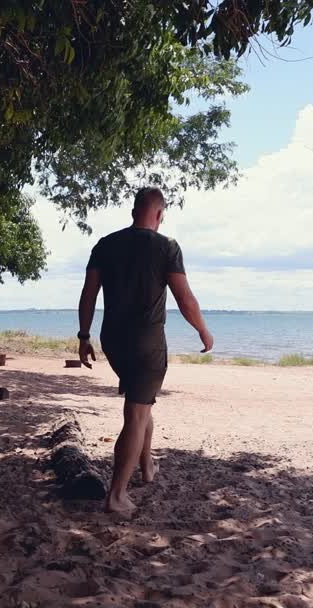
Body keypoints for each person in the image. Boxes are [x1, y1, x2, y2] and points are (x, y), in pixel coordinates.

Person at [76, 187, 213, 514]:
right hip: (147, 342)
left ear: (133, 210)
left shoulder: (105, 244)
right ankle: (117, 495)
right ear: (159, 214)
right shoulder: (166, 246)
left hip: (113, 340)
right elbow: (184, 298)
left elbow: (88, 295)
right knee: (136, 414)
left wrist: (84, 336)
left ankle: (147, 467)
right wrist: (203, 331)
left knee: (141, 403)